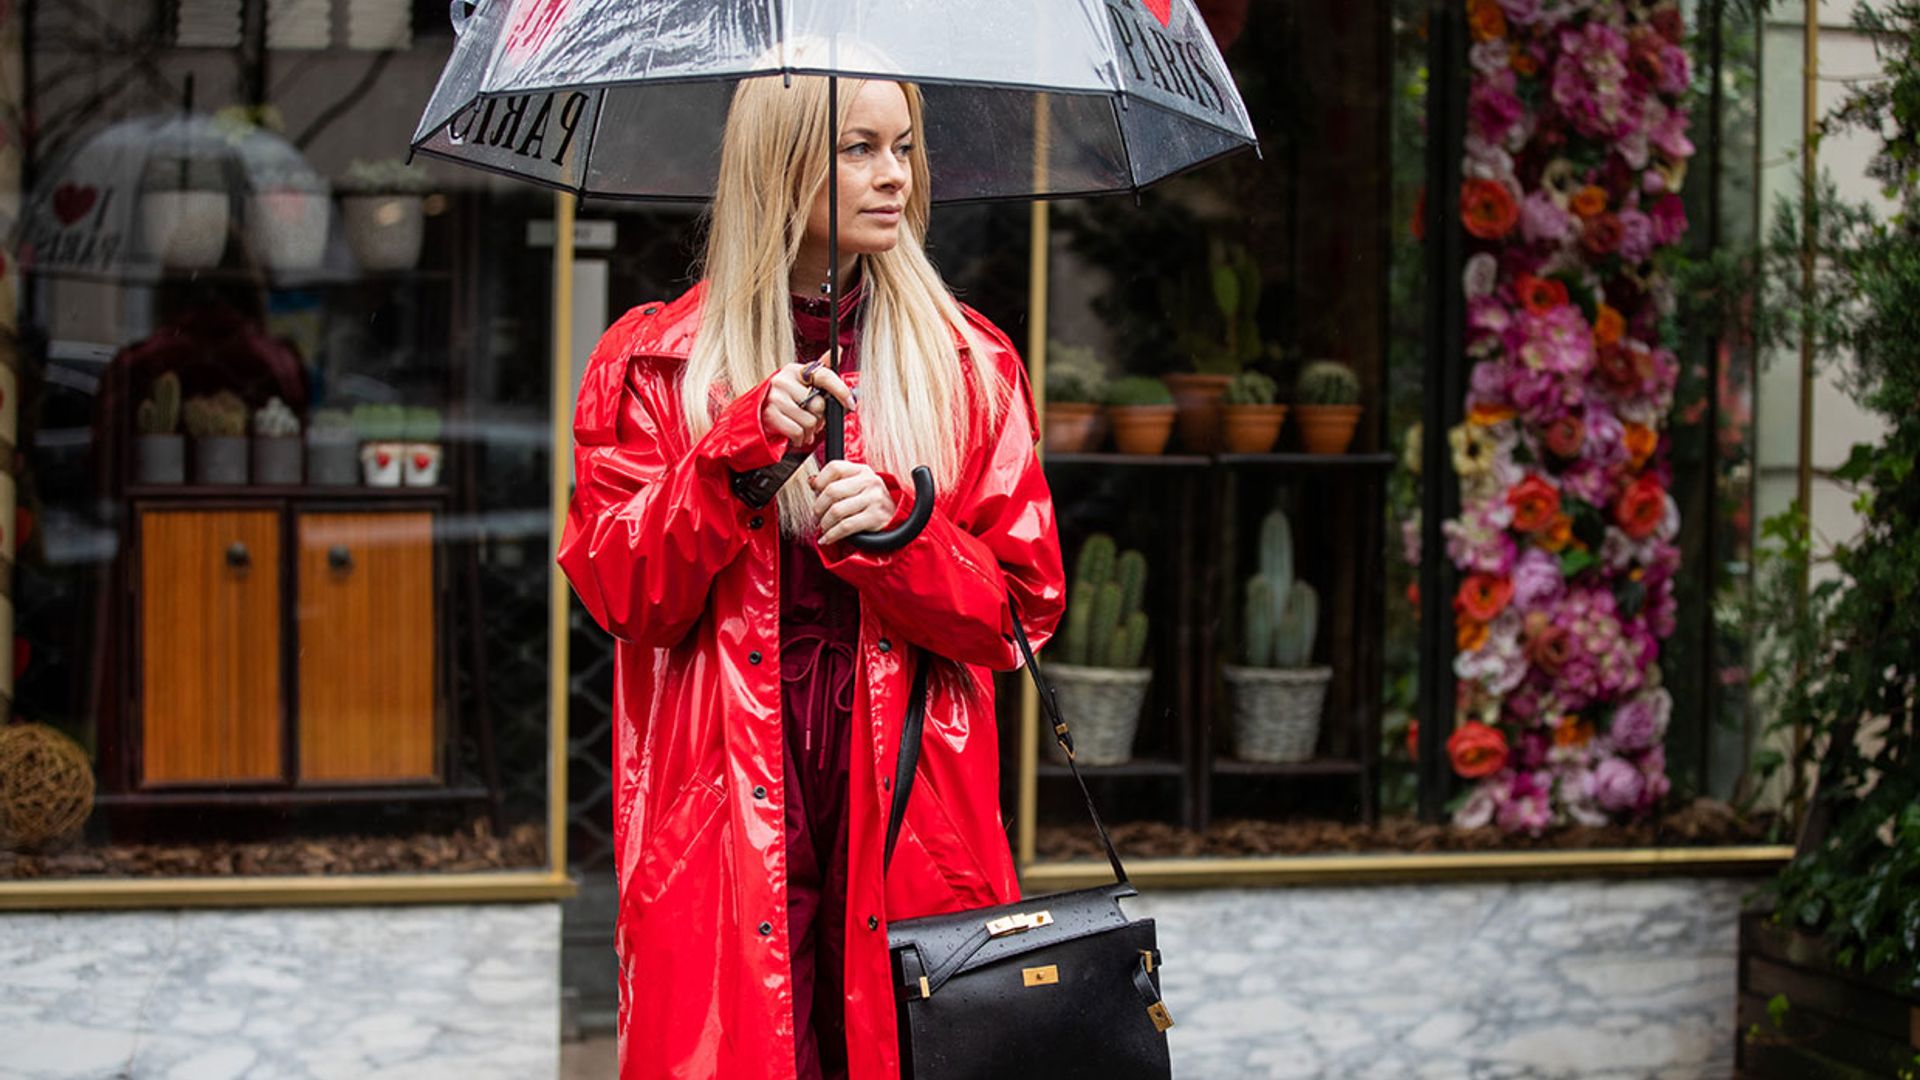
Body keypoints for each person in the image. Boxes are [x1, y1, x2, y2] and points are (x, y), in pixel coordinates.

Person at [556, 70, 1065, 1080]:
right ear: (781, 165)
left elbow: (1019, 614)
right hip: (724, 809)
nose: (894, 177)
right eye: (859, 148)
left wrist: (902, 537)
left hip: (908, 815)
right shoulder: (657, 366)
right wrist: (731, 457)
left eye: (905, 147)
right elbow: (621, 593)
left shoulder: (968, 365)